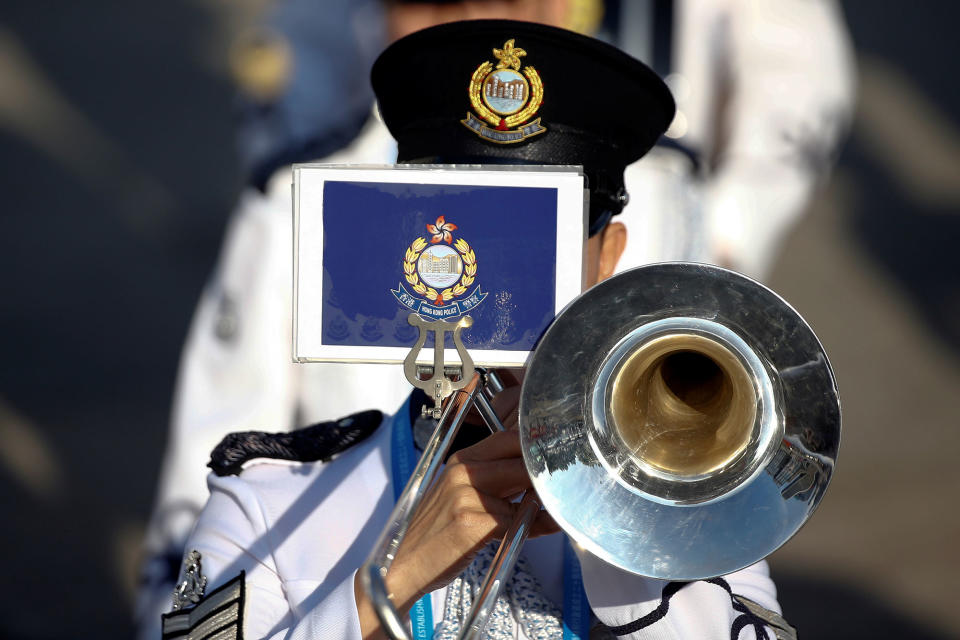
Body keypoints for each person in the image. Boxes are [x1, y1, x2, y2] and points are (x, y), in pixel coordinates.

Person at [160, 21, 792, 640]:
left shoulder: (696, 517)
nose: (497, 287)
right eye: (465, 238)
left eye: (536, 244)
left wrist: (609, 512)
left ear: (605, 259)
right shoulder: (268, 504)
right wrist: (388, 586)